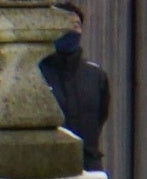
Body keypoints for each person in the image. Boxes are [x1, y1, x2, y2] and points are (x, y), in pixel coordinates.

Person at [41, 14, 110, 167]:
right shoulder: (34, 74)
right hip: (46, 165)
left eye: (77, 24)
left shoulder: (95, 75)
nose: (74, 29)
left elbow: (101, 115)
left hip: (87, 165)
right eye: (68, 23)